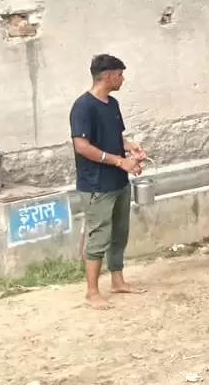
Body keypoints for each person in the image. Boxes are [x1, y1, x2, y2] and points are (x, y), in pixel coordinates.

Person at [70, 54, 148, 309]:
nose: (122, 79)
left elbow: (117, 137)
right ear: (107, 76)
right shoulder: (83, 107)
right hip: (96, 185)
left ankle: (117, 280)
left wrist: (131, 149)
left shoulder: (111, 104)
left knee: (119, 234)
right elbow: (82, 146)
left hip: (118, 181)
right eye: (120, 74)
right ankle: (92, 291)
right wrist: (119, 161)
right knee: (99, 236)